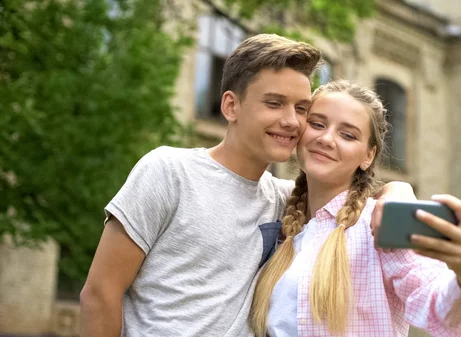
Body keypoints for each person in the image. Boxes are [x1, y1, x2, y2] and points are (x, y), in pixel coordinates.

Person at [79, 34, 415, 337]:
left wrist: (397, 192)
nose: (290, 120)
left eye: (301, 108)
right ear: (231, 105)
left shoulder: (284, 199)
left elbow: (346, 196)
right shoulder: (169, 171)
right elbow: (100, 294)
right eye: (273, 103)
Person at [249, 80, 461, 337]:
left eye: (348, 135)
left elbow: (445, 312)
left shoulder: (378, 226)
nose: (326, 139)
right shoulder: (278, 211)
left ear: (368, 156)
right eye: (317, 124)